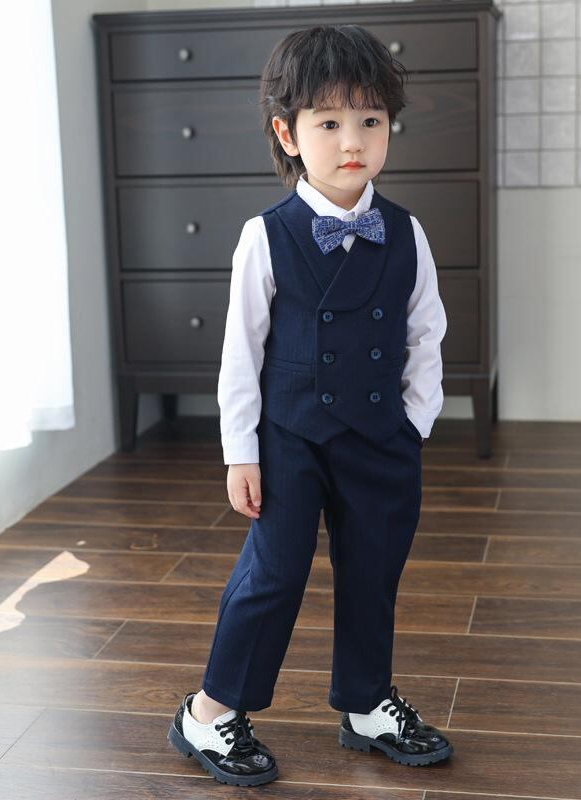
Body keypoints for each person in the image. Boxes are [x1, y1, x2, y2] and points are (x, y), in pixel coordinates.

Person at [167, 23, 451, 786]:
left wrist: (414, 423)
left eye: (370, 120)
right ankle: (210, 712)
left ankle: (365, 702)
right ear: (287, 134)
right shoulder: (265, 236)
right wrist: (241, 451)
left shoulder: (407, 232)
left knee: (374, 570)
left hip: (380, 436)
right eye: (328, 123)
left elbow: (426, 332)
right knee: (274, 573)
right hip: (289, 438)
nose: (352, 141)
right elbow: (240, 352)